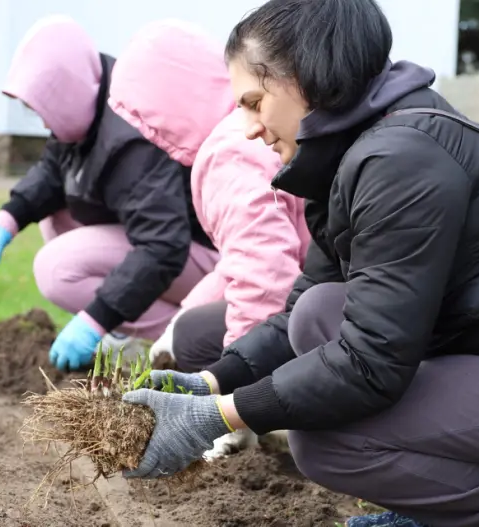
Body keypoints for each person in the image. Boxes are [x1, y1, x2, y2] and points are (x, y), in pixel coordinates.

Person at [118, 1, 479, 526]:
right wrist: (212, 382)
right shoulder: (353, 151)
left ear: (304, 78)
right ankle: (455, 511)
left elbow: (371, 363)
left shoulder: (401, 159)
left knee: (328, 443)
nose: (248, 127)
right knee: (317, 312)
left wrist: (222, 416)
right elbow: (297, 320)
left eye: (253, 102)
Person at [0, 15, 219, 372]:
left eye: (43, 109)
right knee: (55, 219)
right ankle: (129, 335)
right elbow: (54, 170)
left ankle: (190, 341)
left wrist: (96, 319)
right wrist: (8, 218)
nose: (42, 122)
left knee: (57, 269)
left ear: (66, 90)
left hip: (206, 257)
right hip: (169, 245)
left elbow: (163, 246)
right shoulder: (92, 96)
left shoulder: (132, 136)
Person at [108, 19, 311, 458]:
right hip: (329, 294)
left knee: (195, 339)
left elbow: (264, 280)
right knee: (189, 325)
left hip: (325, 315)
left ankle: (296, 423)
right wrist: (179, 316)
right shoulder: (259, 125)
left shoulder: (227, 153)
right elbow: (242, 259)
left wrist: (231, 407)